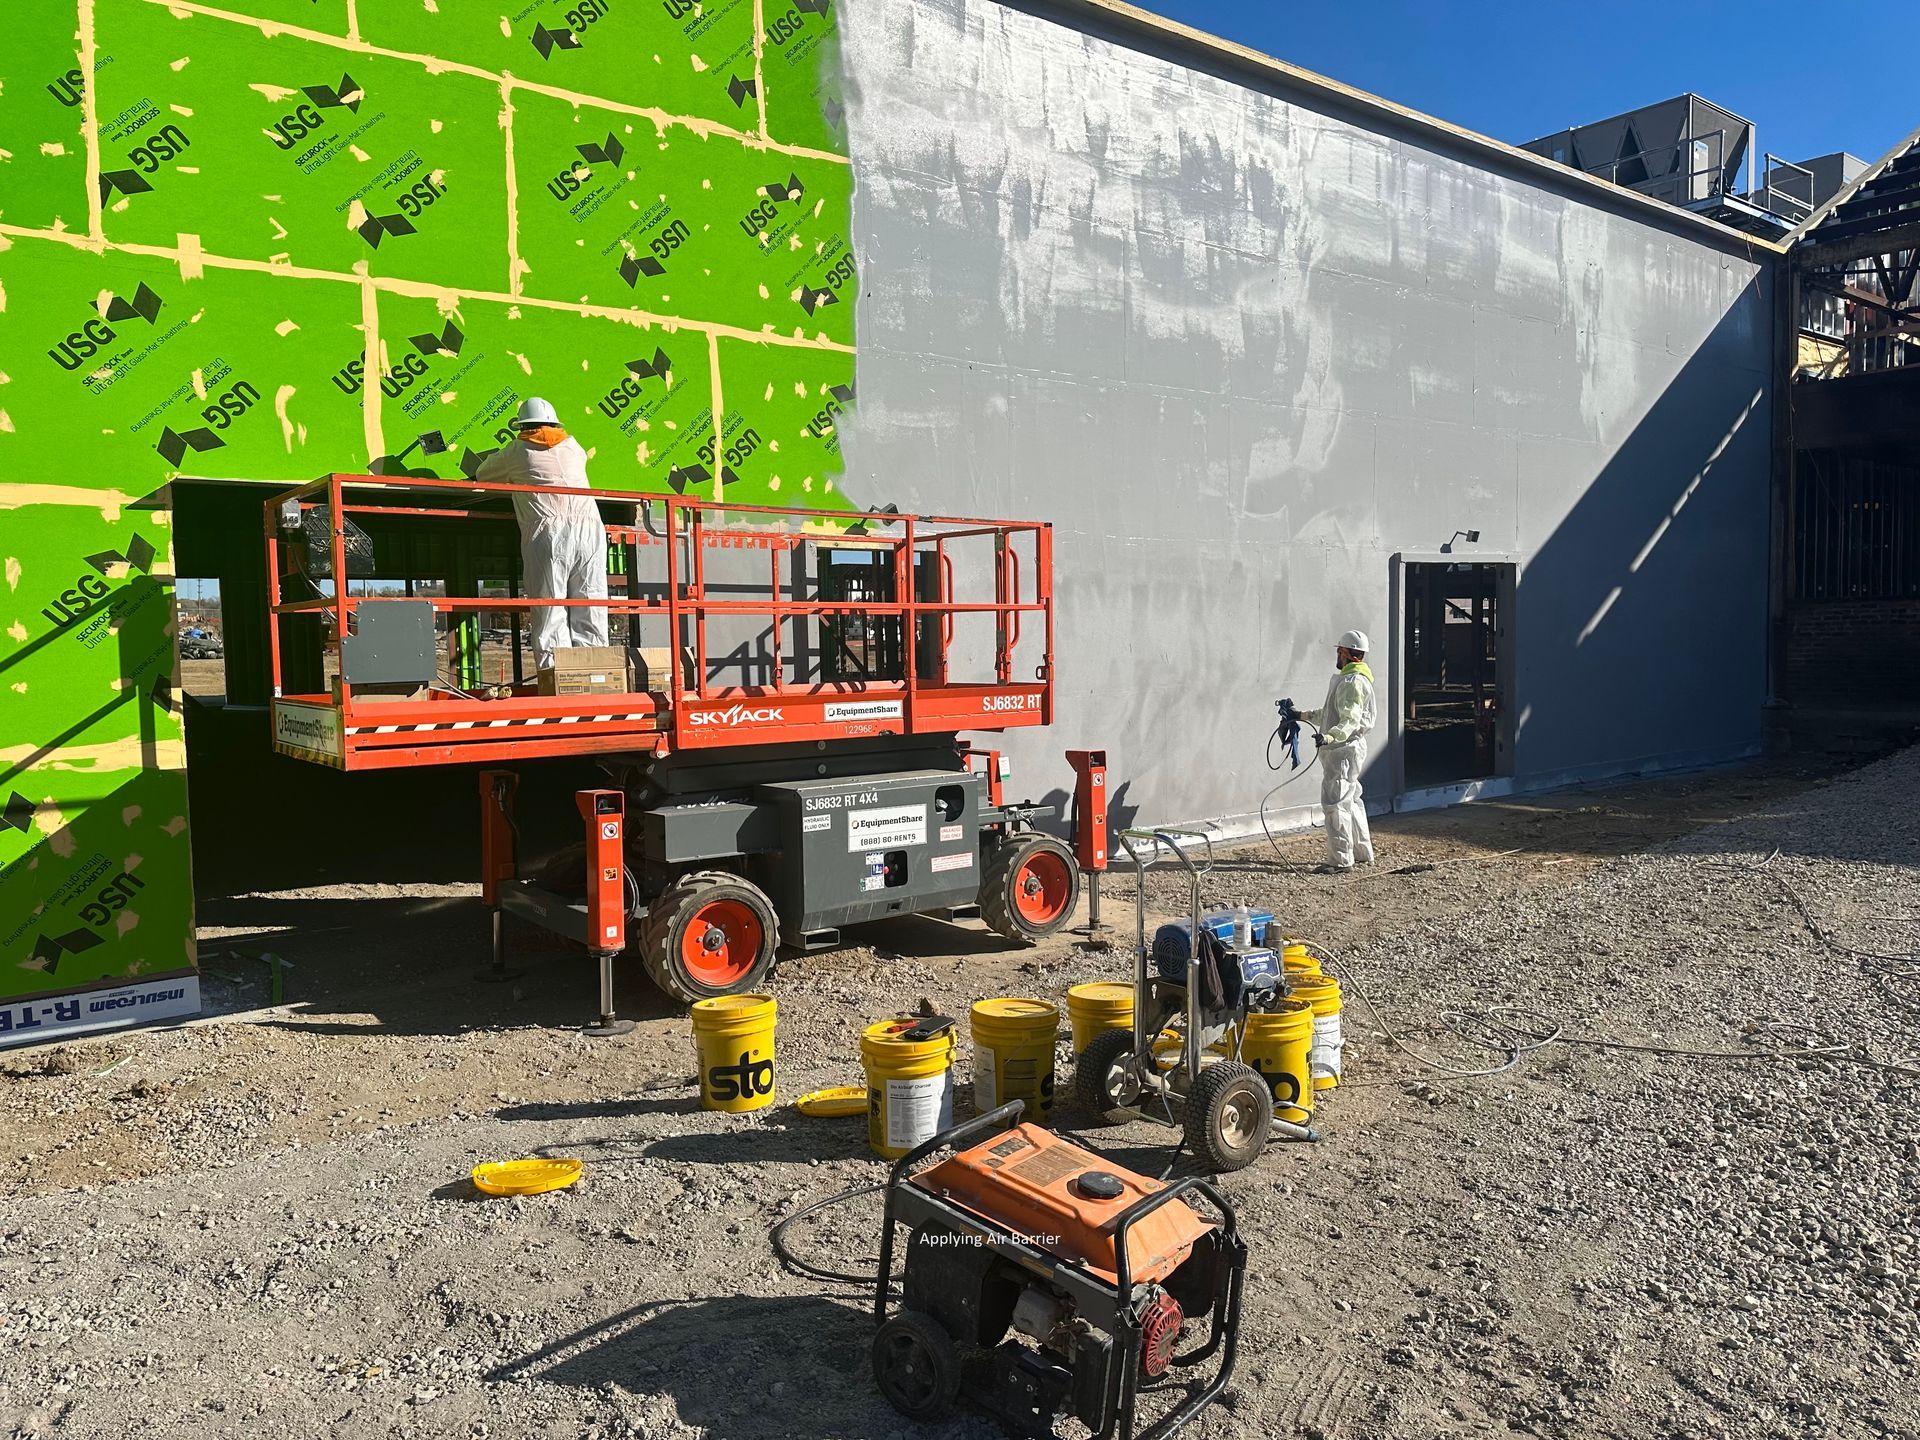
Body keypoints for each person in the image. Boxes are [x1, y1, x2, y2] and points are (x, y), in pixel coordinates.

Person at [476, 396, 609, 671]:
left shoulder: (518, 451)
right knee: (591, 601)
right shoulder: (574, 447)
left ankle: (556, 675)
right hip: (591, 527)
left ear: (523, 426)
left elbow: (483, 473)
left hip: (549, 531)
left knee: (550, 605)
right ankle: (596, 671)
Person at [1298, 629, 1377, 873]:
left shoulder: (1351, 682)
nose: (1337, 656)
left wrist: (1331, 736)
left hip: (1342, 750)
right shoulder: (1354, 679)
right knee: (1351, 800)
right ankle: (1362, 852)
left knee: (1335, 803)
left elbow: (1349, 719)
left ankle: (1341, 860)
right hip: (1348, 748)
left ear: (1344, 652)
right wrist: (1301, 715)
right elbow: (1331, 713)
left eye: (1338, 651)